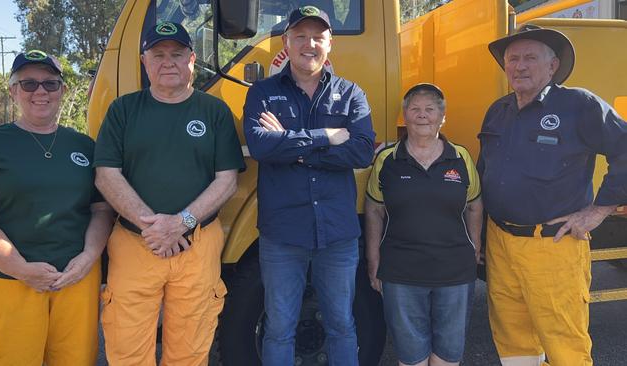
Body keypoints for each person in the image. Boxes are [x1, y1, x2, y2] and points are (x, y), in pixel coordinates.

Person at [94, 22, 245, 365]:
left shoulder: (215, 112)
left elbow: (227, 181)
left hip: (198, 244)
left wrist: (182, 222)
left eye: (177, 54)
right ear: (144, 61)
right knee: (127, 349)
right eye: (158, 54)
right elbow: (106, 176)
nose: (168, 62)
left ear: (192, 59)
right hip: (135, 243)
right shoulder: (123, 110)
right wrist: (154, 227)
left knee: (190, 350)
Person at [479, 24, 627, 365]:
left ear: (553, 65)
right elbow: (484, 171)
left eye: (530, 57)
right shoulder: (498, 110)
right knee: (512, 338)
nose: (519, 65)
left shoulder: (580, 105)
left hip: (553, 245)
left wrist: (599, 209)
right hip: (501, 241)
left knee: (564, 343)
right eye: (512, 58)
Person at [242, 5, 375, 366]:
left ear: (330, 43)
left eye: (318, 36)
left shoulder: (351, 94)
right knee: (279, 328)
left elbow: (362, 151)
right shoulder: (263, 93)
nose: (309, 44)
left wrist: (294, 147)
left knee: (342, 326)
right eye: (300, 36)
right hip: (283, 235)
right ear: (285, 42)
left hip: (338, 235)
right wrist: (327, 136)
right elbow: (259, 145)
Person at [0, 50, 115, 365]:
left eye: (50, 84)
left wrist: (88, 258)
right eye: (28, 84)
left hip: (76, 278)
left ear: (62, 91)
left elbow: (101, 211)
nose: (41, 92)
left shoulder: (84, 146)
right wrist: (21, 270)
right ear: (13, 91)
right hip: (8, 279)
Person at [365, 83, 483, 366]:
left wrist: (474, 250)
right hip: (401, 272)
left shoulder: (461, 157)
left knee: (448, 354)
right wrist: (373, 260)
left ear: (443, 116)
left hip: (454, 272)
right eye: (415, 109)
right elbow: (374, 210)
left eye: (430, 109)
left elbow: (475, 206)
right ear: (404, 115)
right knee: (411, 356)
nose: (422, 115)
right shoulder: (387, 160)